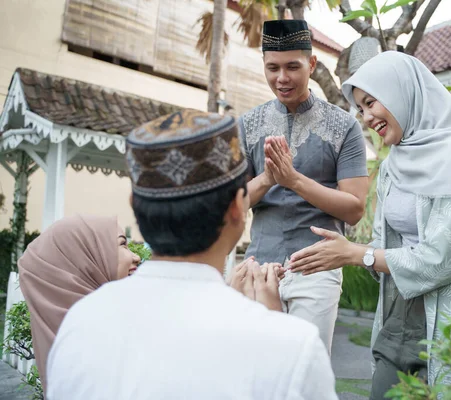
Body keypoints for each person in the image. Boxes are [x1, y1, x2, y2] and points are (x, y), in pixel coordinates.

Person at [45, 109, 338, 399]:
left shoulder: (80, 322)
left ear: (135, 205)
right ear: (238, 207)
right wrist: (274, 327)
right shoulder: (293, 348)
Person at [289, 51, 451, 397]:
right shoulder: (393, 165)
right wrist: (348, 250)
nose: (366, 117)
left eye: (371, 102)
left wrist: (356, 255)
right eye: (360, 109)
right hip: (398, 321)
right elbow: (381, 249)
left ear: (400, 92)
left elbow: (440, 260)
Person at [239, 19, 369, 354]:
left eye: (292, 67)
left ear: (311, 64)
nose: (282, 78)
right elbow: (232, 205)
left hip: (317, 268)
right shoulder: (248, 125)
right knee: (257, 374)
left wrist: (293, 180)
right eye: (273, 68)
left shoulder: (344, 126)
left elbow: (355, 209)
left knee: (305, 373)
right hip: (257, 267)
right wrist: (268, 179)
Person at [18, 214, 140, 391]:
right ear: (85, 260)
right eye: (122, 244)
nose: (135, 256)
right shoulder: (99, 335)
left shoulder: (63, 331)